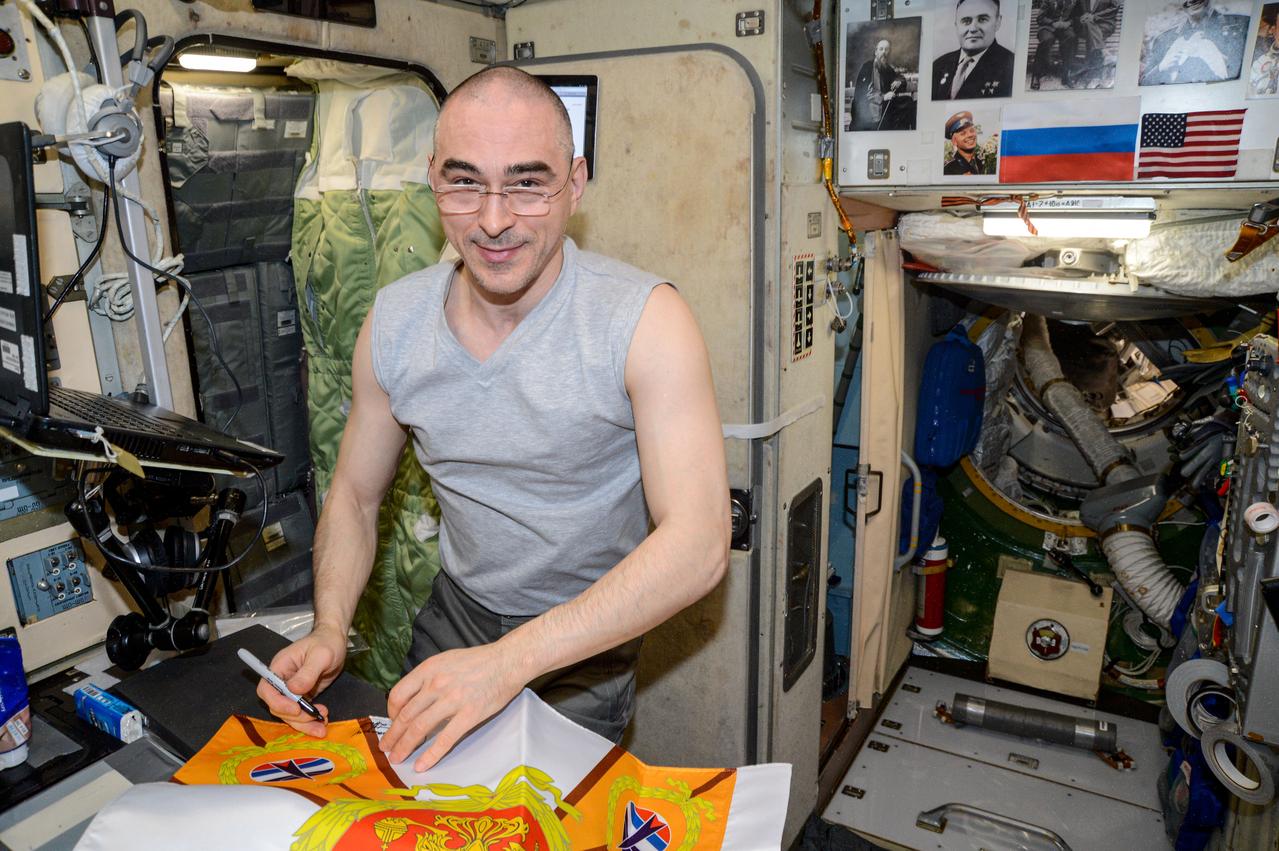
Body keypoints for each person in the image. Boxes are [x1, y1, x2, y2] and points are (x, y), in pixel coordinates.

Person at [256, 66, 731, 773]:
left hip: (586, 636)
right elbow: (355, 495)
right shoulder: (393, 324)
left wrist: (509, 662)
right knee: (410, 800)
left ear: (575, 183)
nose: (494, 219)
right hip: (458, 610)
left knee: (534, 819)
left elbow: (698, 542)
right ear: (431, 179)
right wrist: (329, 626)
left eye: (527, 182)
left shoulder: (644, 321)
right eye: (465, 181)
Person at [1140, 0, 1250, 86]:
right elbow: (1143, 84)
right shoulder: (1163, 39)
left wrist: (1221, 63)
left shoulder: (1242, 26)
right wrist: (1161, 67)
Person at [932, 0, 1015, 99]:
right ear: (956, 25)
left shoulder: (1011, 66)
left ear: (998, 22)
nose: (973, 29)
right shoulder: (939, 65)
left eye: (982, 19)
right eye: (966, 21)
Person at [852, 39, 905, 129]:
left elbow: (900, 77)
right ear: (876, 52)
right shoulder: (867, 67)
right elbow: (863, 94)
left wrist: (898, 81)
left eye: (887, 49)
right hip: (868, 113)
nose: (884, 52)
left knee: (908, 103)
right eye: (881, 49)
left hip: (884, 110)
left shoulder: (888, 69)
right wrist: (884, 97)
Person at [1030, 0, 1081, 89]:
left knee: (1071, 37)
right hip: (1048, 27)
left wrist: (1068, 23)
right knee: (1047, 40)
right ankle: (1036, 75)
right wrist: (1052, 23)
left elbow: (1076, 16)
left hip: (1064, 27)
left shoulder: (1074, 1)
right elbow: (1040, 18)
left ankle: (1066, 75)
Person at [1071, 0, 1122, 87]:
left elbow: (1115, 7)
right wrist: (1080, 18)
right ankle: (1103, 52)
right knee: (1089, 26)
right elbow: (1075, 13)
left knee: (1091, 34)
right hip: (1085, 25)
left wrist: (1094, 16)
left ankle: (1091, 77)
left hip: (1104, 24)